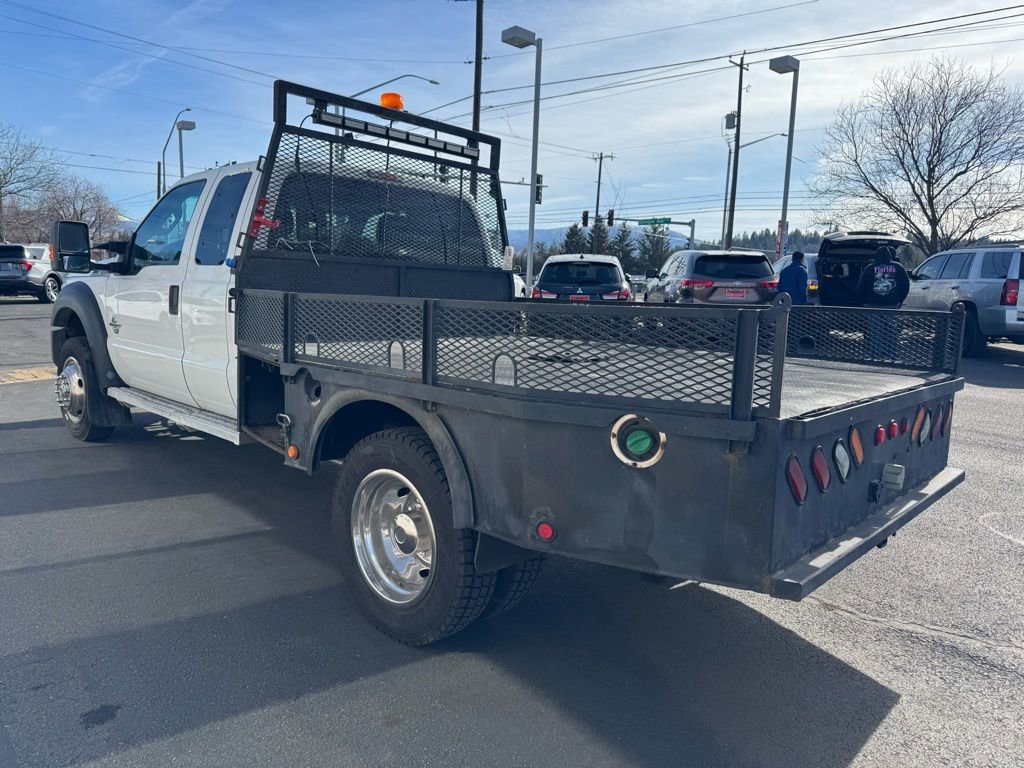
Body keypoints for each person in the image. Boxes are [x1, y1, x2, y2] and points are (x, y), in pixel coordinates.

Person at [857, 245, 911, 361]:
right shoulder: (898, 267)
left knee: (875, 331)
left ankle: (875, 355)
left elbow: (861, 286)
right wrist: (899, 300)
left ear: (876, 255)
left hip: (872, 305)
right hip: (891, 304)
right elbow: (905, 286)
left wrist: (863, 301)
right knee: (891, 331)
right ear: (890, 256)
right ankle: (893, 354)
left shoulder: (870, 268)